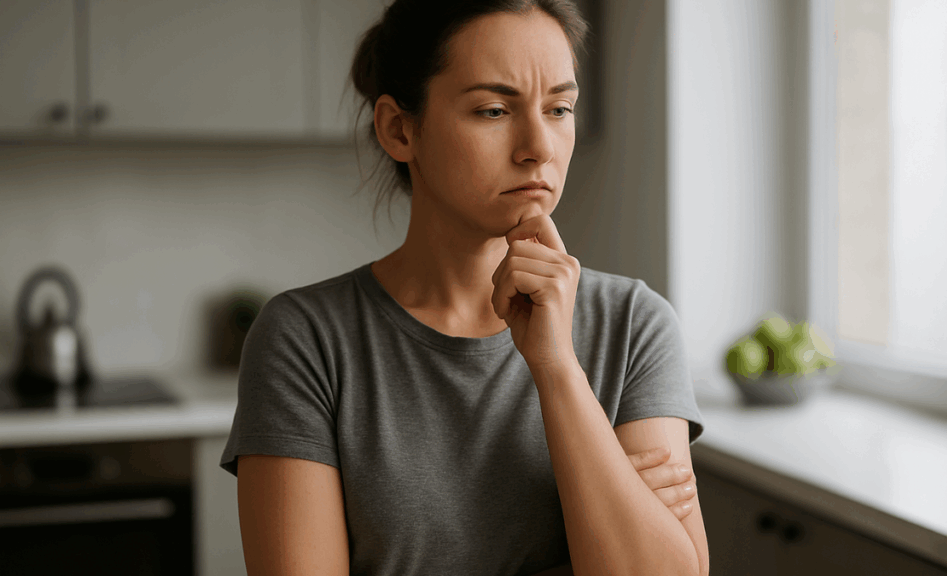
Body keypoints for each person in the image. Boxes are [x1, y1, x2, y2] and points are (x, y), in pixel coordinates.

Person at [219, 1, 709, 574]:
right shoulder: (304, 339)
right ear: (400, 129)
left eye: (559, 108)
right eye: (495, 110)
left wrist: (555, 367)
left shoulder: (635, 325)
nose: (539, 147)